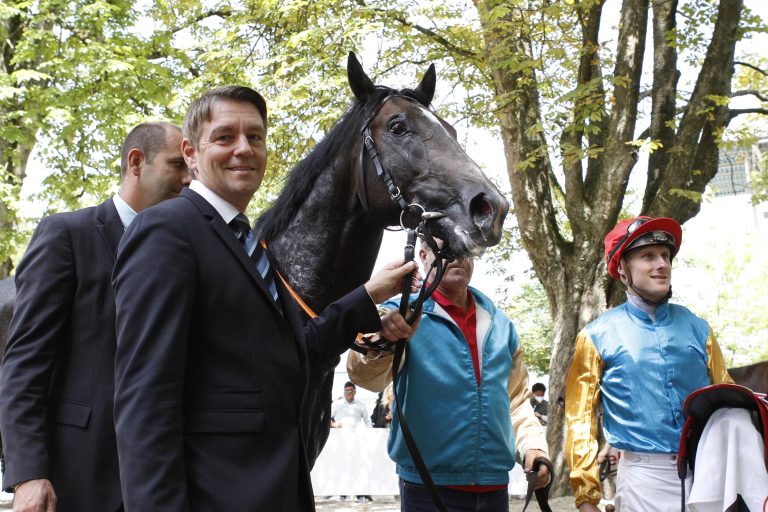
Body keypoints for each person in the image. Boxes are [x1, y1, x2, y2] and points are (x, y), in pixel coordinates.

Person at [111, 86, 419, 512]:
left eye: (255, 137)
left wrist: (368, 295)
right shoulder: (166, 231)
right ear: (190, 152)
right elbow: (145, 399)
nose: (243, 149)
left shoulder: (247, 242)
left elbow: (295, 354)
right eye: (224, 137)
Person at [0, 122, 189, 512]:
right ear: (137, 162)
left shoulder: (187, 249)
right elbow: (24, 363)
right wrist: (28, 473)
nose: (189, 179)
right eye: (177, 165)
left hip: (170, 480)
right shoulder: (66, 235)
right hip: (80, 478)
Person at [348, 237, 550, 511]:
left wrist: (534, 449)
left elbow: (515, 401)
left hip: (494, 489)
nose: (457, 256)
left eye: (464, 249)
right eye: (445, 248)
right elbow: (363, 375)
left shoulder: (501, 325)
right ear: (422, 255)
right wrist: (383, 336)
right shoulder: (400, 312)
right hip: (426, 489)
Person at [564, 216, 733, 511]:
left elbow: (728, 395)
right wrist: (586, 496)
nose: (662, 264)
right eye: (648, 256)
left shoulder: (699, 328)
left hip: (710, 470)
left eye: (666, 256)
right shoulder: (595, 336)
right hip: (643, 477)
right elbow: (580, 420)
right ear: (622, 269)